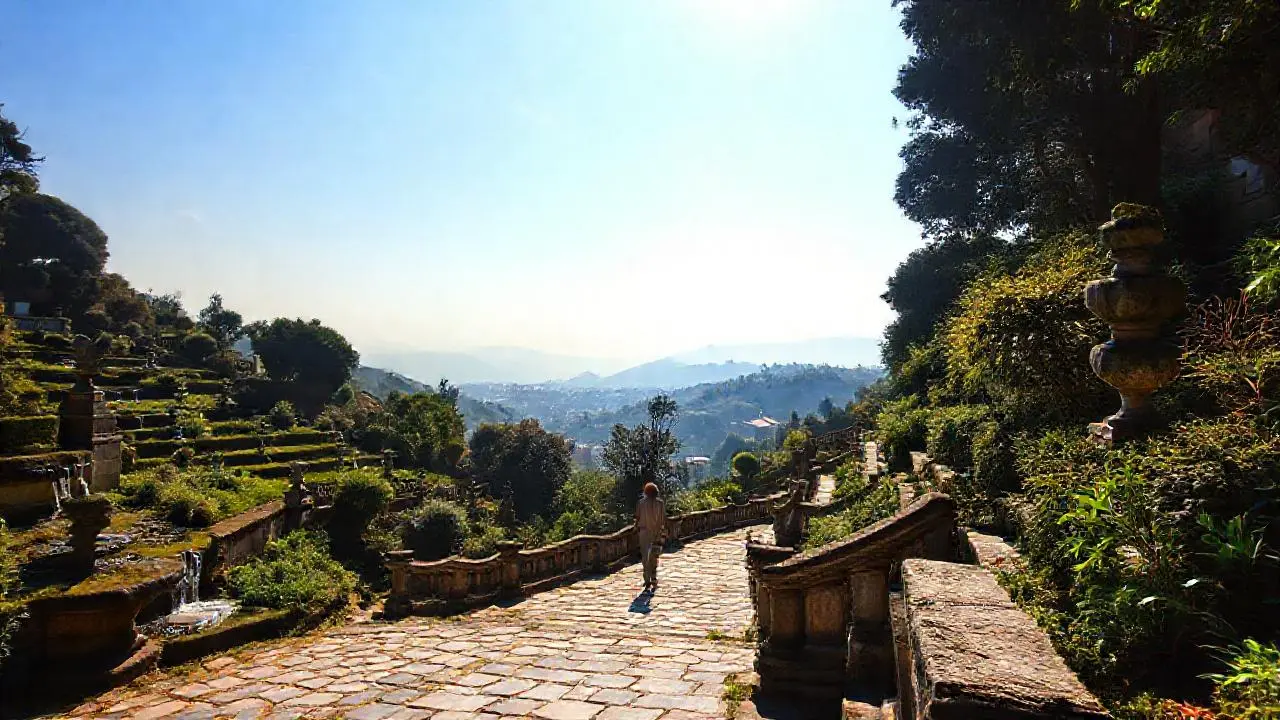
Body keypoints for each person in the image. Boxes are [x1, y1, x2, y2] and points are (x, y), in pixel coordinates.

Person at [635, 482, 667, 591]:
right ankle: (653, 577)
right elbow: (663, 519)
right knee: (654, 556)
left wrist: (636, 529)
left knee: (645, 557)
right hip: (657, 532)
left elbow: (637, 517)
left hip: (644, 533)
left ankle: (647, 579)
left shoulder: (641, 503)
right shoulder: (660, 503)